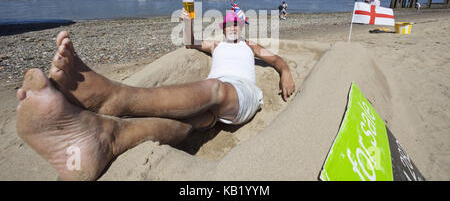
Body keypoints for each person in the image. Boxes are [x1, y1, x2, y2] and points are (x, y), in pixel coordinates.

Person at [15, 10, 295, 181]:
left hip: (242, 95)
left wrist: (285, 73)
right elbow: (190, 41)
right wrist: (188, 23)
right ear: (223, 28)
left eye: (237, 24)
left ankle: (117, 98)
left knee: (214, 89)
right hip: (213, 105)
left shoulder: (251, 46)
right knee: (191, 121)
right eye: (228, 24)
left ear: (243, 27)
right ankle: (107, 138)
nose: (233, 28)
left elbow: (277, 60)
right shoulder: (216, 45)